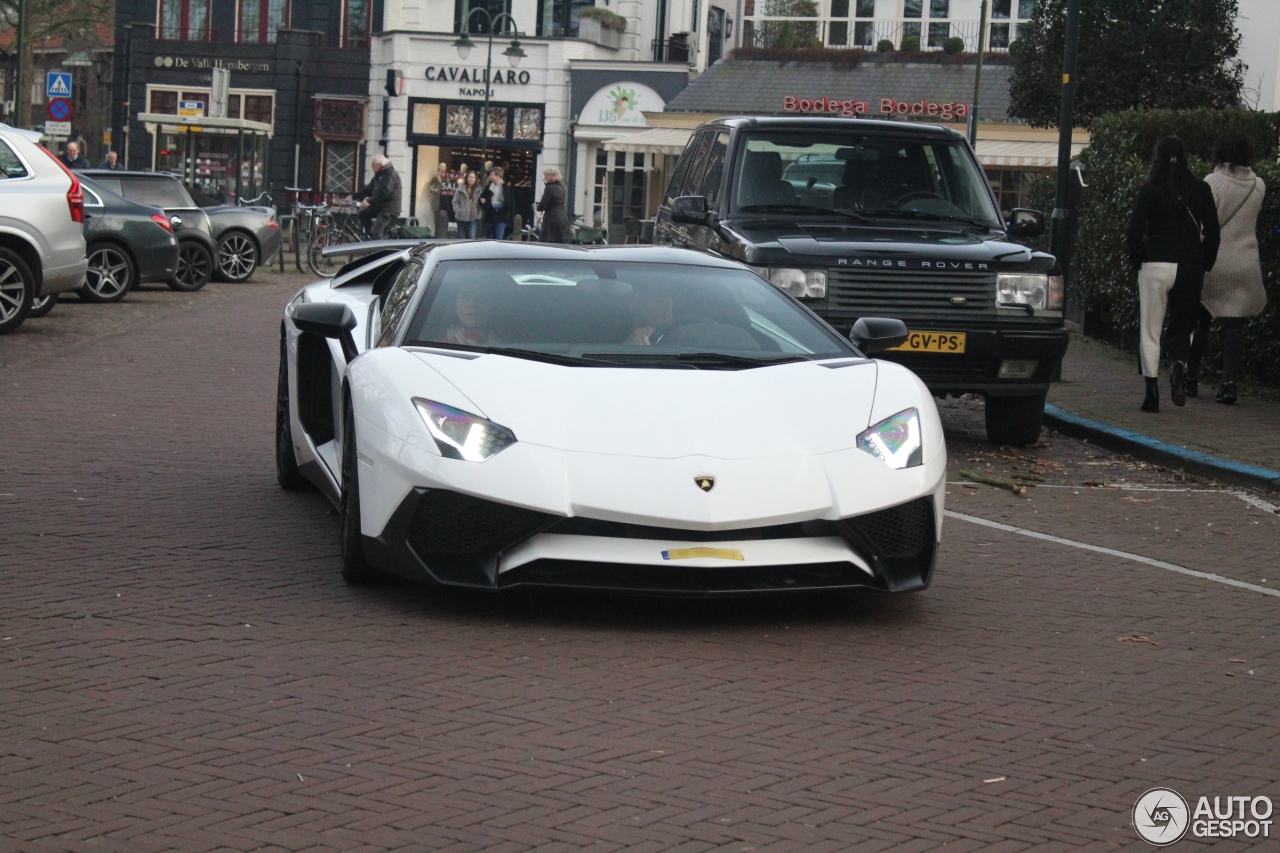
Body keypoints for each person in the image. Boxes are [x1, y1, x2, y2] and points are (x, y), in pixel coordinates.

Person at [1125, 136, 1220, 413]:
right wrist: (1204, 262)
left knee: (1150, 329)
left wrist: (1138, 258)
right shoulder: (1201, 189)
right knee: (1185, 324)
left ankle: (1151, 392)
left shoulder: (1150, 191)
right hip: (1190, 265)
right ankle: (1178, 366)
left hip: (1155, 263)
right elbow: (1213, 231)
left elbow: (1134, 231)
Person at [1189, 132, 1267, 405]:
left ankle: (1190, 378)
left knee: (1201, 320)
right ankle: (1229, 384)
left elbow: (1203, 225)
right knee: (1235, 326)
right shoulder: (1259, 185)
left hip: (1214, 262)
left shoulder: (1213, 183)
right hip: (1245, 263)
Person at [353, 154, 402, 239]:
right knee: (363, 214)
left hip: (389, 209)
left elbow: (385, 192)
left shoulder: (390, 173)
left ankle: (381, 250)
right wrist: (354, 197)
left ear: (380, 165)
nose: (372, 167)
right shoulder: (380, 174)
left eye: (373, 165)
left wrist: (369, 201)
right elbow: (369, 188)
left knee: (376, 231)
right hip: (380, 206)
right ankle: (371, 239)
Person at [537, 167, 572, 243]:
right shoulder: (562, 187)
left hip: (552, 220)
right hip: (563, 219)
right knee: (560, 243)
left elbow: (543, 204)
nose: (545, 178)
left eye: (546, 176)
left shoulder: (549, 188)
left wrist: (538, 207)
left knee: (546, 242)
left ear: (552, 176)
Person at [480, 168, 513, 240]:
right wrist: (485, 205)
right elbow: (481, 198)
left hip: (501, 216)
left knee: (499, 238)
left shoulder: (506, 188)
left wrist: (504, 213)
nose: (490, 176)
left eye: (492, 175)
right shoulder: (489, 187)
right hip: (490, 215)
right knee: (488, 238)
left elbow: (510, 203)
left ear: (498, 176)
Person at [452, 170, 483, 239]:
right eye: (470, 177)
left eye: (473, 177)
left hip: (474, 217)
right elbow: (455, 201)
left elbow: (482, 202)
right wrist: (459, 210)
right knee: (461, 236)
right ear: (466, 178)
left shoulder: (479, 190)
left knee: (471, 236)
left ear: (476, 179)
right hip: (461, 216)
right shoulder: (460, 189)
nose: (471, 179)